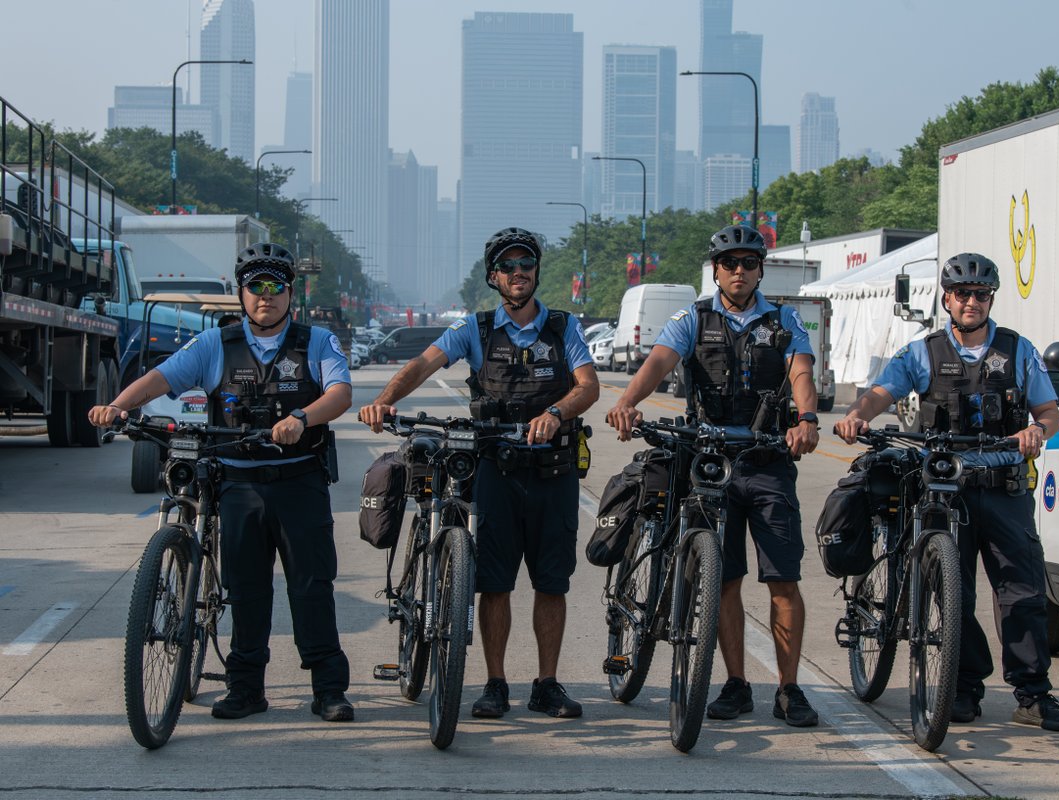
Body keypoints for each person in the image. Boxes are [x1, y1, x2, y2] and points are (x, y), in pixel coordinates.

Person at [88, 242, 355, 723]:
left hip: (299, 483)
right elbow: (160, 379)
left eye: (275, 287)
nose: (265, 296)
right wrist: (120, 406)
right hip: (238, 486)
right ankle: (246, 688)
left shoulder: (316, 342)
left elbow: (340, 393)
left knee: (312, 587)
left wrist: (302, 416)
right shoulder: (215, 344)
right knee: (246, 589)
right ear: (241, 294)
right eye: (256, 287)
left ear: (290, 294)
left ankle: (329, 689)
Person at [832, 252, 1059, 732]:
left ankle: (1033, 693)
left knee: (1022, 593)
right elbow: (881, 392)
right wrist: (858, 414)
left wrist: (1036, 432)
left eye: (980, 294)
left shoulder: (1019, 350)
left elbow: (1048, 413)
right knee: (953, 593)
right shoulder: (922, 352)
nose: (971, 302)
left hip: (1004, 488)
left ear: (991, 299)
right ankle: (962, 688)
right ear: (946, 298)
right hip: (946, 490)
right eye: (962, 293)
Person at [359, 227, 599, 719]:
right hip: (496, 471)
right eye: (508, 266)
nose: (518, 273)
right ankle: (495, 684)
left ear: (535, 271)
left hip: (554, 472)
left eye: (526, 264)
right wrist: (384, 401)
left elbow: (589, 386)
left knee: (552, 584)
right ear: (495, 276)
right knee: (494, 584)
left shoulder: (563, 328)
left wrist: (556, 412)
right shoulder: (477, 328)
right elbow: (423, 364)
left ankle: (547, 685)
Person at [606, 224, 822, 729]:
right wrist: (626, 403)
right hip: (709, 461)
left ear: (761, 268)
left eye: (749, 262)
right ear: (716, 270)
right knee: (723, 580)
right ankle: (736, 683)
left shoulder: (784, 319)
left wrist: (807, 419)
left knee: (783, 581)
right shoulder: (693, 318)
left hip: (767, 459)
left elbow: (802, 373)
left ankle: (790, 690)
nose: (740, 271)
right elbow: (658, 362)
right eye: (730, 263)